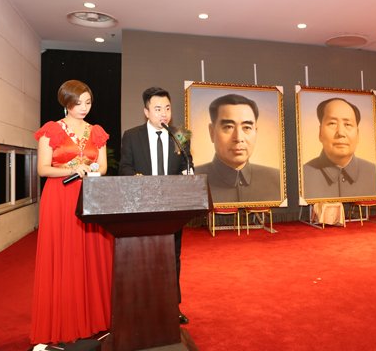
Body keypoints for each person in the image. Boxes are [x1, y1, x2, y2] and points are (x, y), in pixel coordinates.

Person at [31, 80, 112, 345]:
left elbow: (103, 167)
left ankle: (95, 318)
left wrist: (91, 170)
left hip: (90, 196)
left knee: (90, 255)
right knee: (64, 254)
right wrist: (71, 170)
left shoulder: (96, 131)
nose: (84, 108)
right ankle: (64, 319)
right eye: (78, 103)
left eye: (88, 102)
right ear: (66, 103)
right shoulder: (51, 130)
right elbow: (43, 169)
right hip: (60, 197)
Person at [118, 87, 191, 325]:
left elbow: (187, 164)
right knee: (143, 257)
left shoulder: (179, 135)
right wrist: (138, 181)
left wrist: (188, 173)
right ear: (146, 111)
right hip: (144, 207)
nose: (164, 114)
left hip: (172, 207)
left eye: (167, 108)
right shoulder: (132, 136)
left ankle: (172, 307)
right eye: (158, 109)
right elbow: (124, 167)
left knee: (172, 257)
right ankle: (142, 307)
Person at [195, 93, 281, 203]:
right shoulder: (193, 180)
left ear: (256, 131)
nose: (239, 138)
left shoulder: (278, 180)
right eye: (228, 127)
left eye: (247, 127)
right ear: (212, 132)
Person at [303, 98, 376, 199]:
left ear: (358, 134)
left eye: (347, 124)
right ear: (320, 132)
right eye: (332, 123)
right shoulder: (302, 177)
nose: (341, 133)